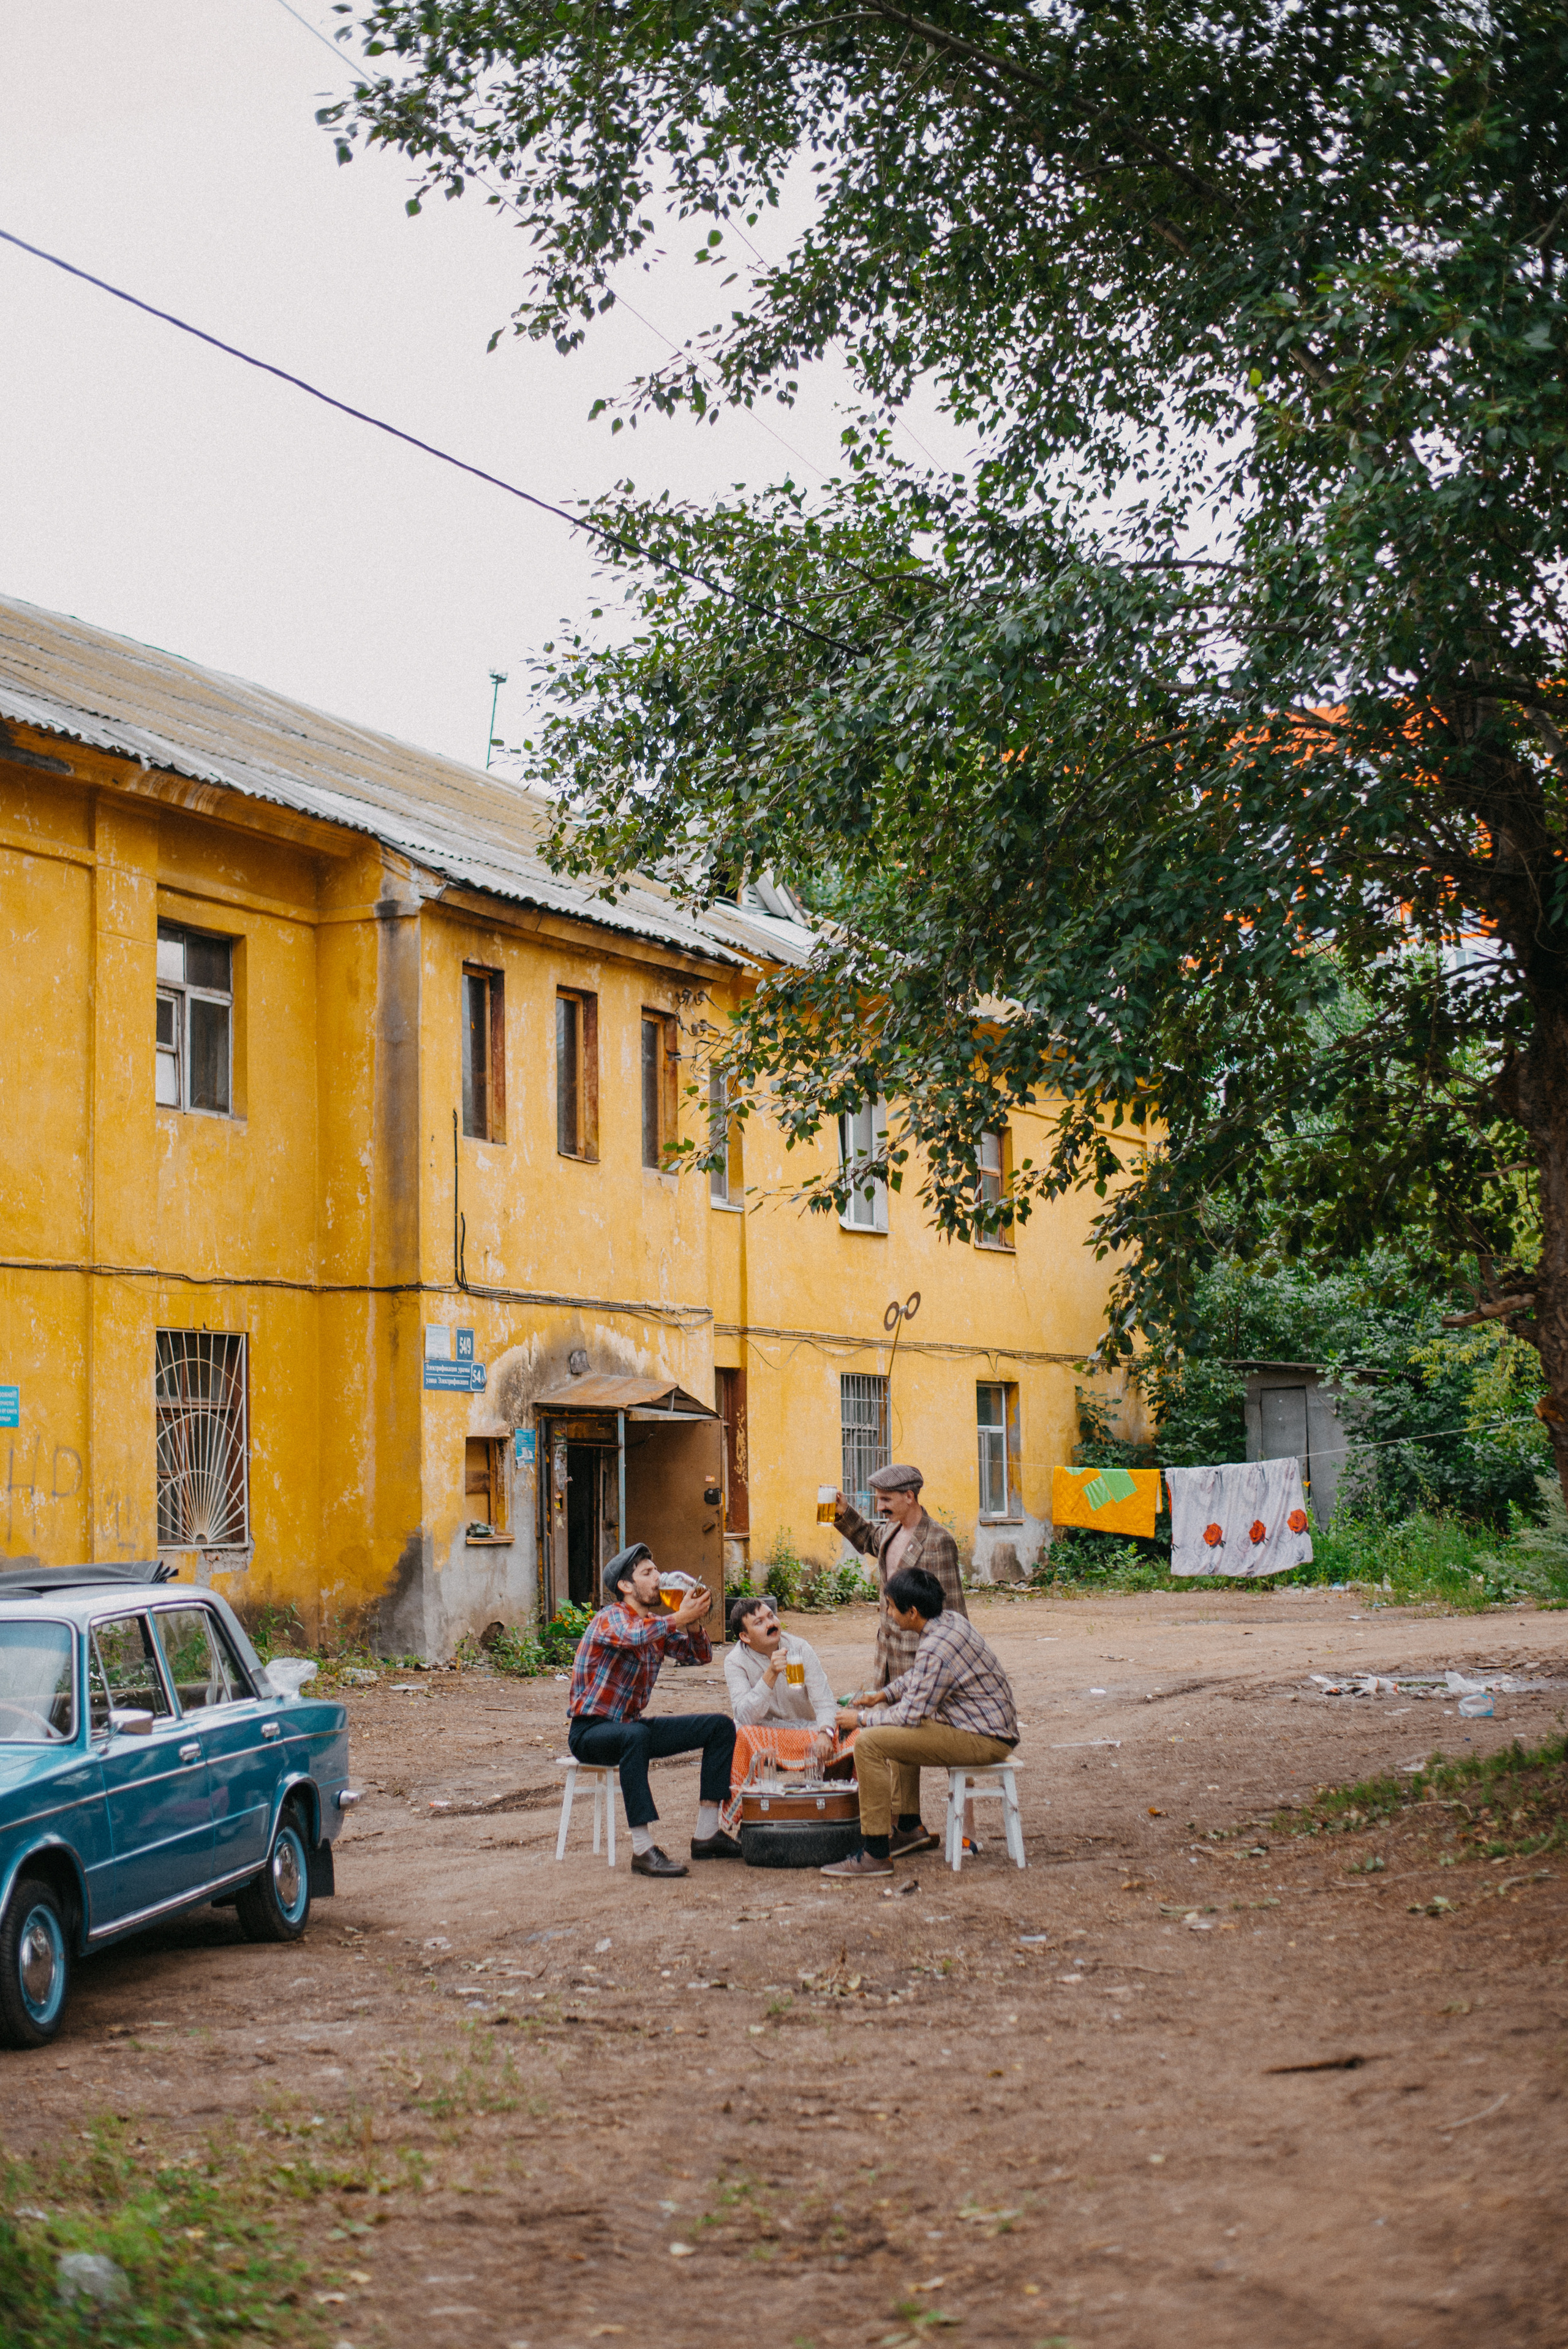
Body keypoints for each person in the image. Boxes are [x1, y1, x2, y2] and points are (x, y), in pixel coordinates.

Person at [819, 1564, 1018, 1880]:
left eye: (891, 1608)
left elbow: (911, 1715)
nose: (889, 1613)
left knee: (870, 1741)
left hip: (984, 1740)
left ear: (912, 1612)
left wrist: (861, 1718)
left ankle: (875, 1853)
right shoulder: (949, 1621)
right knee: (892, 1729)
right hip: (982, 1729)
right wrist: (882, 1693)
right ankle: (909, 1826)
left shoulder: (935, 1647)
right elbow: (918, 1677)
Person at [566, 1543, 741, 1877]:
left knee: (719, 1726)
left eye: (657, 1570)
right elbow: (632, 1636)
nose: (658, 1577)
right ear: (626, 1586)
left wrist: (693, 1624)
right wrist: (678, 1618)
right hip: (590, 1732)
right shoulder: (611, 1618)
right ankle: (643, 1850)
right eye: (648, 1573)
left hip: (632, 1727)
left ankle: (707, 1835)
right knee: (634, 1736)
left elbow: (699, 1656)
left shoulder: (655, 1626)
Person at [832, 1462, 968, 1852]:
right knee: (893, 1733)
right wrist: (844, 1514)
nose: (881, 1506)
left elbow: (951, 1607)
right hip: (889, 1651)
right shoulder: (893, 1530)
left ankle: (904, 1821)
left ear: (910, 1497)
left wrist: (949, 1660)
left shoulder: (938, 1541)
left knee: (904, 1733)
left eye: (887, 1499)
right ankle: (906, 1822)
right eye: (878, 1499)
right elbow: (873, 1541)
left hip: (921, 1654)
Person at [720, 1596, 845, 1831]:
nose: (770, 1623)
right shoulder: (735, 1661)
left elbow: (825, 1701)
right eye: (759, 1622)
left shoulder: (799, 1648)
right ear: (745, 1637)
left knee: (853, 1732)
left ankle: (839, 1811)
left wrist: (825, 1733)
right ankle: (750, 1816)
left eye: (771, 1616)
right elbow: (745, 1717)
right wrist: (771, 1673)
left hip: (809, 1732)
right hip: (765, 1735)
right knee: (738, 1735)